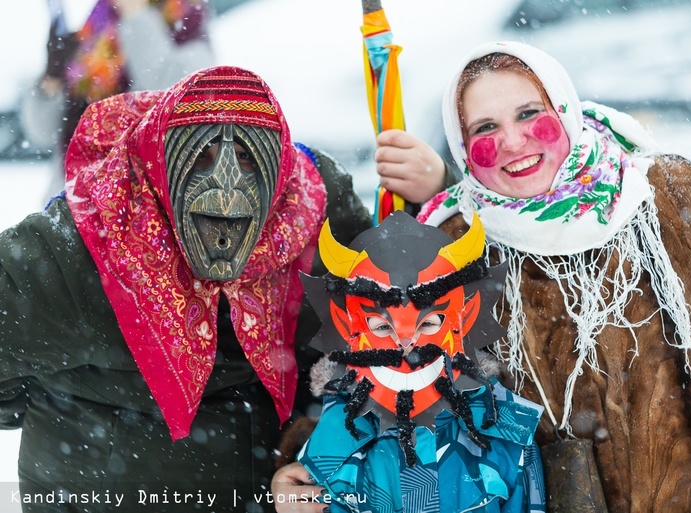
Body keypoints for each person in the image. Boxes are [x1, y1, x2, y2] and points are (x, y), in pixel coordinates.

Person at [410, 41, 691, 512]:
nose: (514, 141)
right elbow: (416, 410)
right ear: (464, 149)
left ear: (564, 110)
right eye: (485, 128)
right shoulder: (458, 251)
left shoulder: (667, 196)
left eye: (529, 114)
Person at [0, 65, 373, 512]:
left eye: (250, 158)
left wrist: (312, 443)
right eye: (201, 156)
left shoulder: (316, 217)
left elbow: (380, 342)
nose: (227, 187)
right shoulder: (84, 246)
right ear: (159, 161)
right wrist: (81, 414)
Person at [293, 211, 545, 513]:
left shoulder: (509, 437)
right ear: (347, 326)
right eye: (382, 327)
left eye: (429, 323)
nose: (406, 342)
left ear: (465, 317)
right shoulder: (330, 440)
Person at [20, 0, 214, 204]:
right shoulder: (98, 25)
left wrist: (135, 14)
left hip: (139, 208)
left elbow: (171, 91)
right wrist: (52, 78)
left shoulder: (187, 16)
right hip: (72, 202)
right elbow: (41, 133)